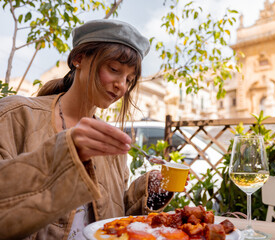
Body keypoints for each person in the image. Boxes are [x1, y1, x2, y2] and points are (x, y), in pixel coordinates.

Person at [0, 19, 175, 239]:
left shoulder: (108, 141)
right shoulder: (16, 115)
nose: (122, 85)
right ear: (78, 59)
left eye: (129, 79)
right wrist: (64, 154)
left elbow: (115, 217)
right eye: (114, 69)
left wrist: (149, 190)